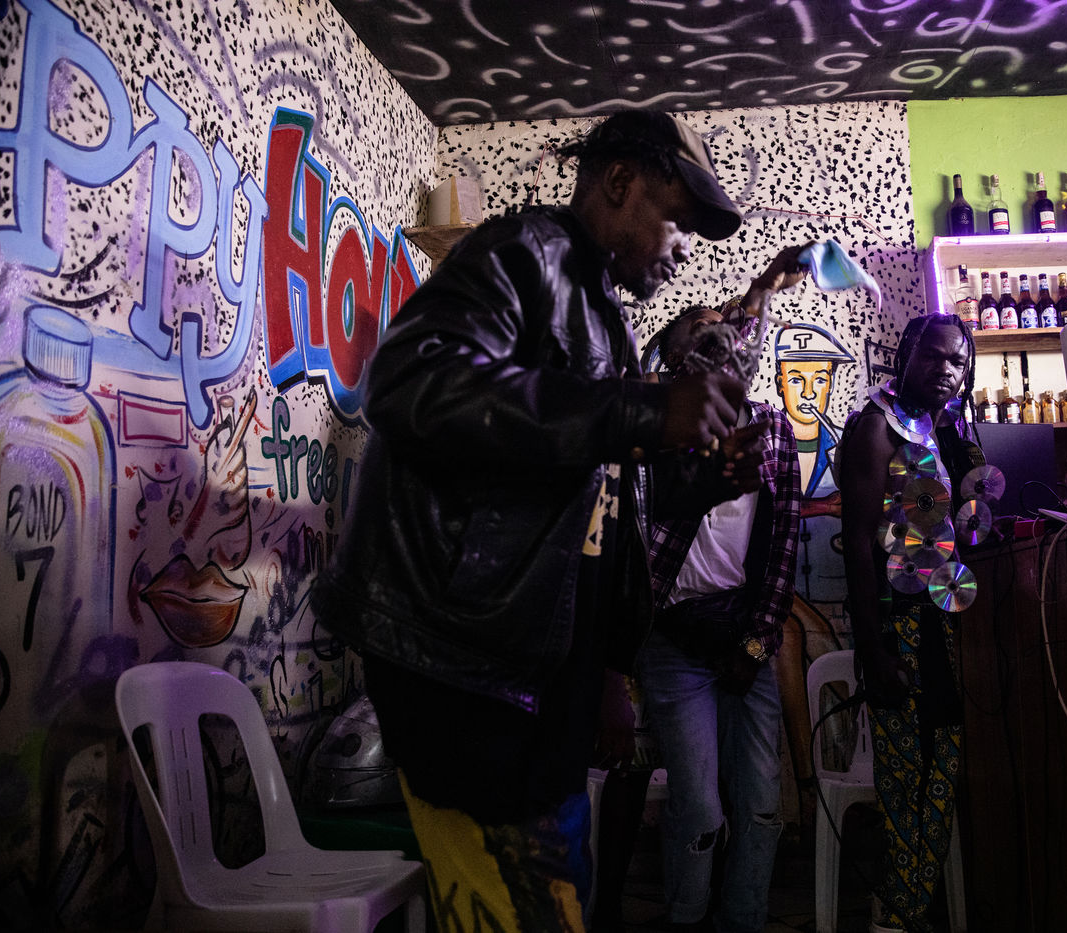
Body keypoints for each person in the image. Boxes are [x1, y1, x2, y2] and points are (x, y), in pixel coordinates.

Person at [313, 109, 766, 933]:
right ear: (620, 182)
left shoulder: (603, 314)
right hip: (462, 668)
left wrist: (701, 481)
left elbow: (594, 499)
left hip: (533, 681)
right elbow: (412, 383)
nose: (683, 249)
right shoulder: (526, 254)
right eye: (676, 219)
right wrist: (640, 409)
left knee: (556, 901)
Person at [638, 289, 803, 933]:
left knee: (761, 806)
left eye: (725, 330)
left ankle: (744, 919)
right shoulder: (656, 431)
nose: (720, 338)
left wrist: (756, 646)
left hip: (744, 638)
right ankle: (685, 917)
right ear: (675, 359)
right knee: (700, 808)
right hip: (673, 640)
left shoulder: (774, 430)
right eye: (699, 332)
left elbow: (784, 546)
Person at [836, 312, 982, 933]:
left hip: (936, 619)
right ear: (905, 354)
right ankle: (895, 913)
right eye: (934, 356)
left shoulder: (934, 428)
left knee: (939, 764)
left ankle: (908, 905)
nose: (947, 370)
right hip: (896, 627)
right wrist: (872, 653)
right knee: (906, 777)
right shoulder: (876, 427)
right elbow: (858, 544)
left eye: (958, 362)